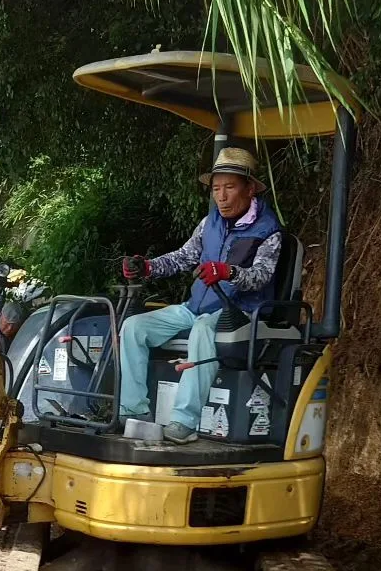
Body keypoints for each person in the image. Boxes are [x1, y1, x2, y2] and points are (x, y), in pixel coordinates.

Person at [118, 147, 283, 444]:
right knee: (134, 327)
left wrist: (229, 272)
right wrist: (147, 267)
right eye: (217, 189)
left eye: (230, 188)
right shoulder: (209, 224)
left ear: (249, 189)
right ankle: (133, 411)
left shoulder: (268, 230)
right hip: (196, 306)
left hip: (240, 311)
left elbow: (262, 275)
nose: (221, 196)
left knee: (203, 329)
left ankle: (184, 421)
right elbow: (183, 257)